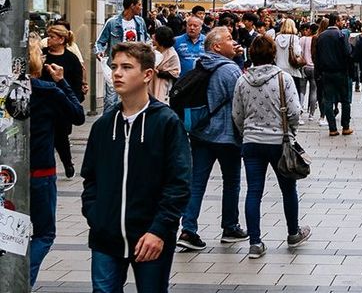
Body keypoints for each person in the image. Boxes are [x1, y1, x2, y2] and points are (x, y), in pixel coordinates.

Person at [82, 42, 190, 293]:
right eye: (114, 66)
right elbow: (90, 178)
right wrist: (95, 215)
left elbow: (179, 182)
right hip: (106, 236)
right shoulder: (103, 125)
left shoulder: (166, 122)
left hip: (150, 236)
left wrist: (160, 229)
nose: (117, 73)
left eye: (126, 67)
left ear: (147, 75)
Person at [231, 35, 311, 259]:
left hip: (252, 143)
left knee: (253, 191)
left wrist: (247, 131)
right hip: (280, 142)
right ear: (273, 54)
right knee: (288, 189)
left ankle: (255, 242)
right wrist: (290, 131)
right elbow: (295, 111)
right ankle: (293, 233)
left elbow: (237, 114)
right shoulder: (283, 79)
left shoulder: (242, 80)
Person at [178, 27, 248, 252]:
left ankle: (188, 229)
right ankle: (230, 226)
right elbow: (241, 103)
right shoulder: (229, 70)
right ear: (216, 46)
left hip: (200, 133)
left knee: (196, 183)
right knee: (231, 182)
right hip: (227, 136)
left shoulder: (202, 63)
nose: (233, 41)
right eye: (229, 39)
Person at [30, 40, 86, 286]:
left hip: (8, 174)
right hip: (40, 171)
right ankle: (22, 281)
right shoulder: (47, 90)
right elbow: (78, 115)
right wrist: (61, 81)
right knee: (44, 233)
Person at [42, 23, 86, 176]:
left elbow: (77, 83)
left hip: (62, 105)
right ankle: (48, 165)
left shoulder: (71, 59)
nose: (48, 40)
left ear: (61, 40)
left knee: (61, 138)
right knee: (45, 135)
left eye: (52, 37)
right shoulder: (42, 55)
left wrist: (74, 101)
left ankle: (67, 163)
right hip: (44, 104)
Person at [96, 0, 150, 109]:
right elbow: (100, 42)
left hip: (135, 66)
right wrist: (99, 52)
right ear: (132, 5)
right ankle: (109, 125)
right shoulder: (112, 22)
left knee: (134, 98)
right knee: (111, 100)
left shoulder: (140, 22)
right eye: (139, 5)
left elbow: (146, 39)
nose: (141, 7)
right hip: (116, 67)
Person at [313, 15, 354, 135]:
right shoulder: (341, 35)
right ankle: (345, 127)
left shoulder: (321, 36)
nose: (343, 22)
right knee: (345, 100)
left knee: (328, 100)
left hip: (326, 72)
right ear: (336, 21)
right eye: (341, 20)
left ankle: (332, 128)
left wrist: (319, 72)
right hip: (341, 71)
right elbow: (348, 53)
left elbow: (317, 56)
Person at [273, 19, 307, 122]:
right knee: (293, 93)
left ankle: (281, 114)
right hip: (292, 70)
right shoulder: (294, 38)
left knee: (280, 94)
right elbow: (297, 52)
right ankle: (295, 115)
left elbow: (274, 54)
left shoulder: (277, 38)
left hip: (279, 69)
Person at [150, 26, 180, 104]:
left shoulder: (172, 54)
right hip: (150, 84)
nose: (153, 36)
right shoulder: (152, 50)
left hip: (162, 86)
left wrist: (160, 72)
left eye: (155, 35)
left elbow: (175, 73)